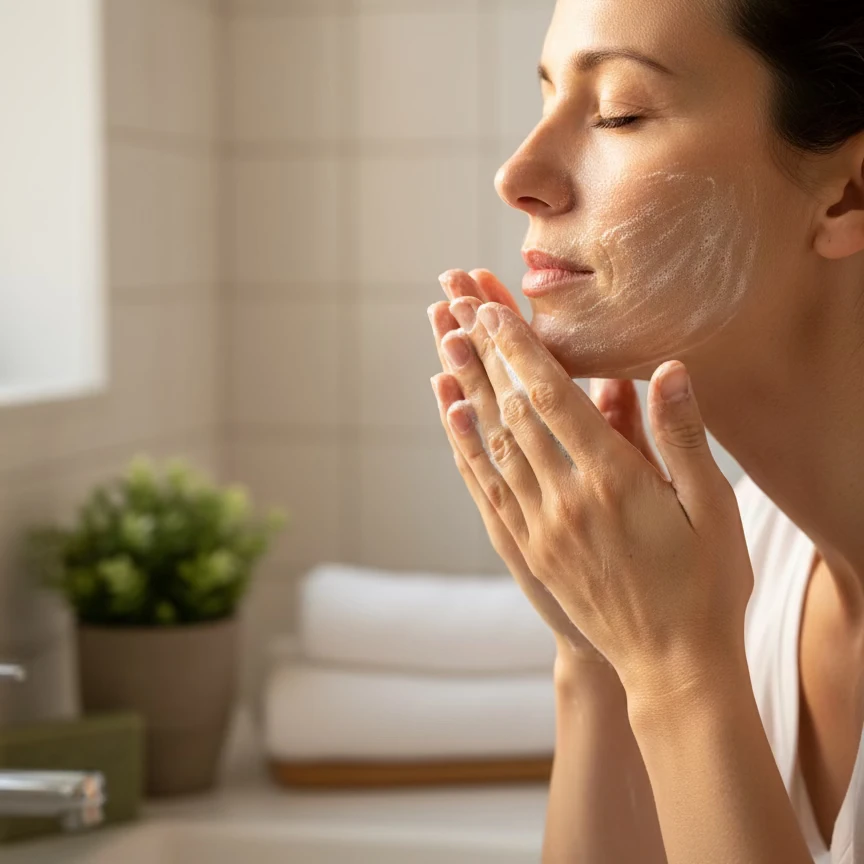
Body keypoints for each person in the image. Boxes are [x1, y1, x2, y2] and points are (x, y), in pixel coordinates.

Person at [425, 1, 864, 862]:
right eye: (547, 95)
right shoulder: (756, 557)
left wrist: (677, 672)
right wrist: (599, 656)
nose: (519, 174)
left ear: (847, 194)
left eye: (619, 111)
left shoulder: (702, 612)